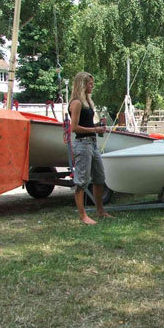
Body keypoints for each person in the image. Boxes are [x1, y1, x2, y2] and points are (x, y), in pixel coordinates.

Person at [69, 72, 112, 225]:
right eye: (89, 84)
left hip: (92, 144)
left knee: (99, 178)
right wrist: (95, 129)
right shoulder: (76, 103)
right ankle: (83, 216)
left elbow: (85, 124)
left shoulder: (87, 102)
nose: (92, 86)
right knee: (82, 181)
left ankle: (100, 211)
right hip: (83, 144)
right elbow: (74, 127)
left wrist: (97, 126)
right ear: (82, 84)